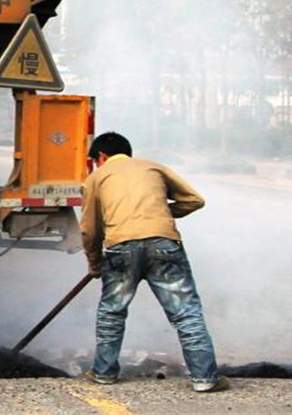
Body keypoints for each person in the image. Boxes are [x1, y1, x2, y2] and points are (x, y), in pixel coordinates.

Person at [80, 131, 229, 392]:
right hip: (164, 244)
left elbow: (90, 230)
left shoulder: (96, 178)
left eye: (95, 160)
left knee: (112, 313)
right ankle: (205, 378)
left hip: (121, 247)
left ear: (101, 156)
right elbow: (195, 200)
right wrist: (158, 212)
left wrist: (94, 263)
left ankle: (104, 373)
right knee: (186, 314)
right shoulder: (153, 167)